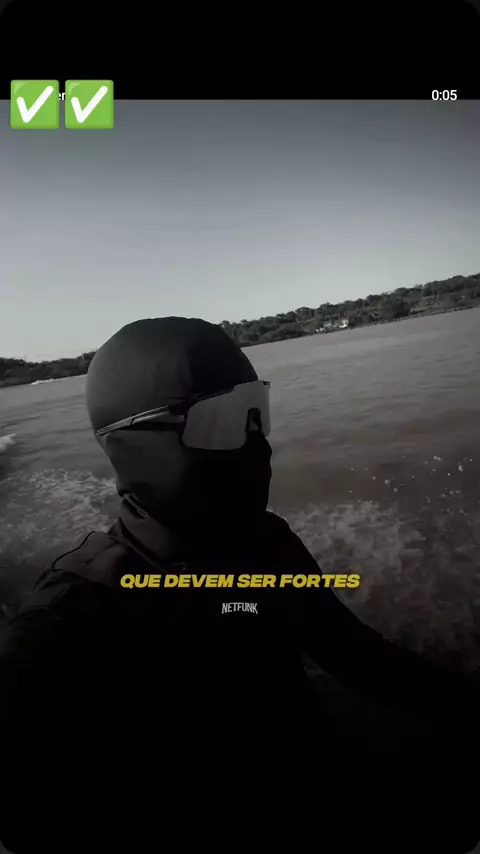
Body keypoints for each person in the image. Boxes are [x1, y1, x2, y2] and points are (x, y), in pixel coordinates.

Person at [0, 317, 478, 854]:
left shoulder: (264, 543)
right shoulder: (65, 629)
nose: (256, 445)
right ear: (133, 442)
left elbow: (359, 657)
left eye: (256, 412)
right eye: (221, 420)